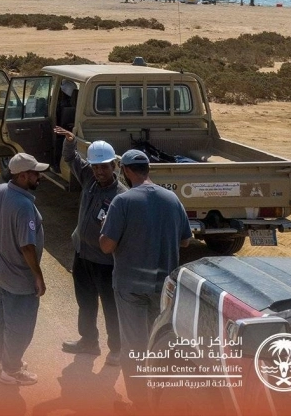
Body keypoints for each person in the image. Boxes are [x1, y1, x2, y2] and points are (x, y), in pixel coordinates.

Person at [99, 149, 192, 413]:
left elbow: (106, 246)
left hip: (130, 286)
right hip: (163, 287)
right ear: (147, 169)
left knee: (134, 345)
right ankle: (160, 397)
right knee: (160, 343)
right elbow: (185, 240)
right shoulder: (171, 199)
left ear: (126, 171)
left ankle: (140, 402)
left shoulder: (122, 201)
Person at [54, 128, 124, 366]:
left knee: (110, 307)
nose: (99, 171)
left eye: (104, 166)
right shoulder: (89, 179)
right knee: (85, 302)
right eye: (95, 167)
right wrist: (70, 143)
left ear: (114, 165)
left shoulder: (122, 196)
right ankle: (89, 341)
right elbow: (71, 158)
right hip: (82, 255)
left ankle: (117, 349)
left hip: (106, 262)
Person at [0, 152, 47, 386]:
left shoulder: (0, 191)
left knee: (1, 315)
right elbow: (27, 246)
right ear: (23, 176)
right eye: (35, 173)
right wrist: (38, 276)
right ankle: (11, 371)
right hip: (19, 278)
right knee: (20, 325)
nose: (39, 176)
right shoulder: (23, 206)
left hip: (1, 271)